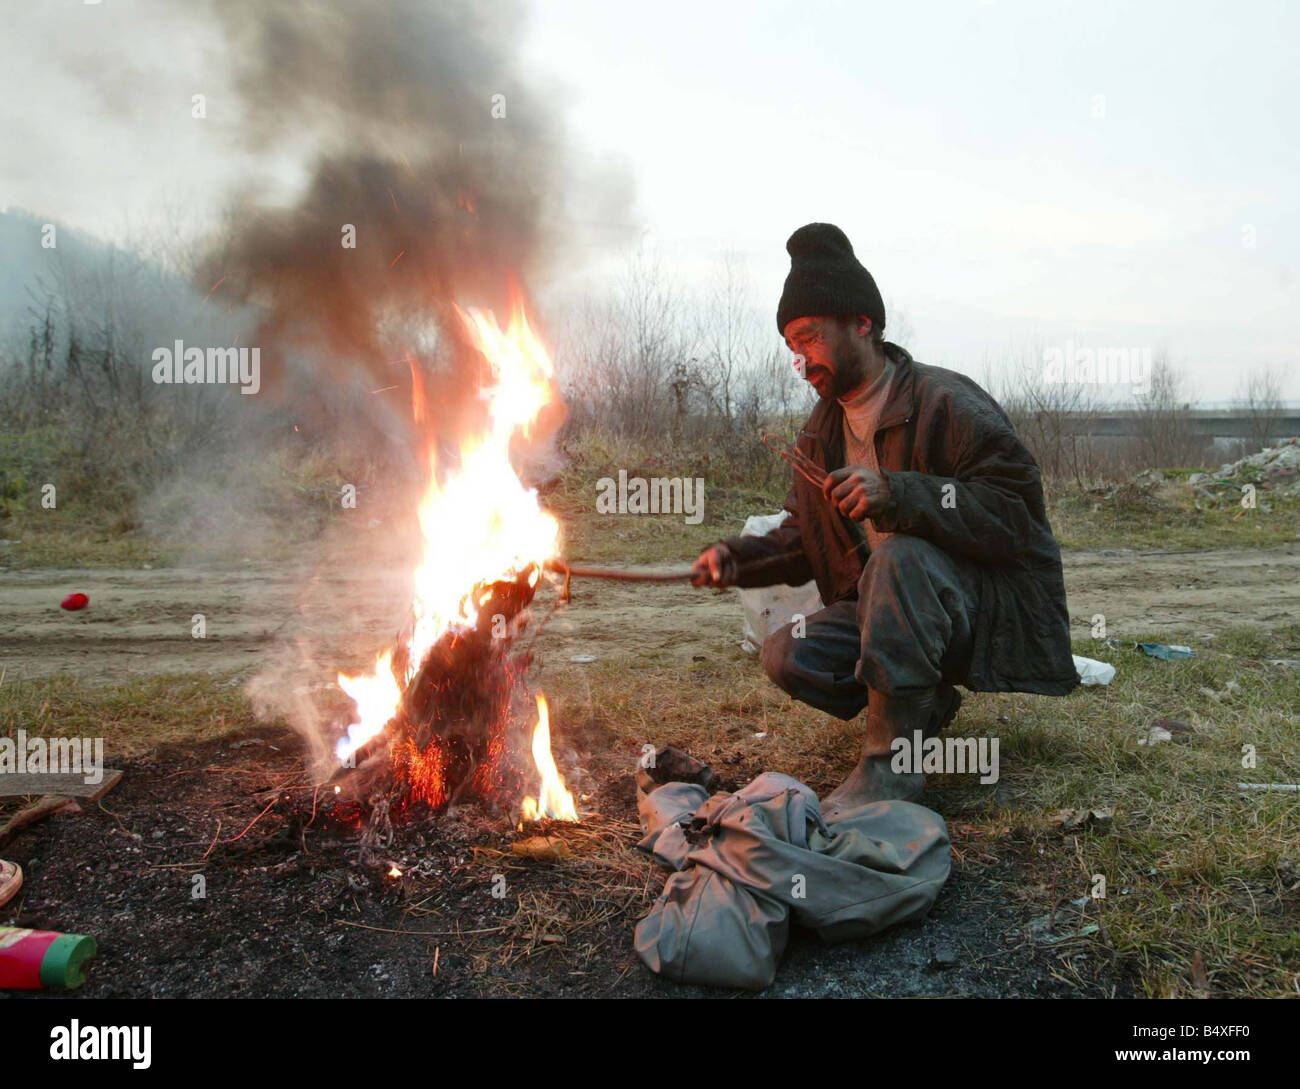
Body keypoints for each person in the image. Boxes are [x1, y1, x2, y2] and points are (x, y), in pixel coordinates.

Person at [692, 223, 1077, 818]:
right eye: (792, 346)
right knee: (788, 655)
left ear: (862, 325)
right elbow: (804, 537)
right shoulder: (820, 432)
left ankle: (890, 767)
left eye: (810, 339)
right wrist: (736, 559)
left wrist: (899, 494)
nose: (801, 361)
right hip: (891, 613)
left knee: (898, 556)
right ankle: (921, 706)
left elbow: (1016, 517)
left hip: (975, 606)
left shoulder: (945, 401)